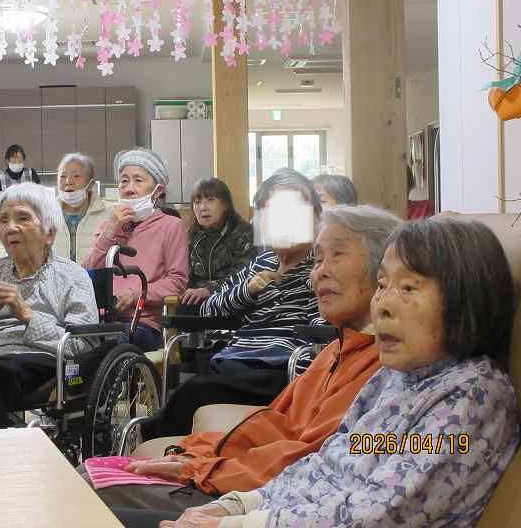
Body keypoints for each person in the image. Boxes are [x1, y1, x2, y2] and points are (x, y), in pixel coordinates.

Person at [164, 217, 518, 528]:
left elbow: (379, 514)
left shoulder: (473, 395)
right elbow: (329, 463)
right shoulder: (395, 378)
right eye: (382, 285)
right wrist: (240, 504)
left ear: (468, 298)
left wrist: (238, 523)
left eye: (409, 287)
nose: (383, 305)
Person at [89, 206, 401, 525]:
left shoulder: (384, 368)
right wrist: (196, 453)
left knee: (88, 494)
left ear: (386, 273)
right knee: (90, 479)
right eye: (319, 259)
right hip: (242, 463)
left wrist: (202, 468)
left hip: (257, 489)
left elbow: (308, 462)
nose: (320, 272)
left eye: (336, 255)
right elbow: (273, 428)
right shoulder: (333, 350)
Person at [135, 169, 323, 440]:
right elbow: (210, 307)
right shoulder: (261, 263)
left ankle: (150, 441)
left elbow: (323, 325)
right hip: (236, 359)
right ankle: (160, 445)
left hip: (280, 366)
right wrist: (247, 291)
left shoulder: (317, 268)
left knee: (196, 392)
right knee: (197, 389)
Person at [0, 182, 100, 428]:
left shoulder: (72, 276)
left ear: (49, 234)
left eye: (22, 218)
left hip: (43, 360)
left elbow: (83, 346)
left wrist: (26, 315)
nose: (10, 227)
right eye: (3, 220)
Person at [82, 149, 189, 352]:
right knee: (69, 343)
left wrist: (135, 295)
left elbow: (177, 282)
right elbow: (86, 274)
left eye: (138, 180)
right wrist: (110, 231)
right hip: (99, 319)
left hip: (142, 322)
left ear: (157, 190)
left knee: (110, 345)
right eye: (124, 181)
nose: (129, 188)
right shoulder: (107, 226)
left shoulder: (171, 226)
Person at [181, 178, 257, 306]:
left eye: (210, 200)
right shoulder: (191, 235)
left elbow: (244, 274)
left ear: (225, 204)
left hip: (232, 301)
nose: (202, 207)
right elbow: (183, 275)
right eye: (197, 202)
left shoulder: (243, 232)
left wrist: (209, 290)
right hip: (196, 301)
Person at [52, 153, 111, 264]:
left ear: (90, 184)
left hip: (94, 274)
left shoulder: (108, 213)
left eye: (76, 176)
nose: (68, 181)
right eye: (62, 176)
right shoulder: (45, 213)